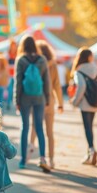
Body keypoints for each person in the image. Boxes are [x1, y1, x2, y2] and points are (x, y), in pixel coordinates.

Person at [14, 35, 51, 172]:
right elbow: (47, 81)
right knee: (40, 128)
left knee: (25, 127)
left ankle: (23, 160)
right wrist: (47, 98)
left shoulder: (21, 60)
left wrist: (16, 100)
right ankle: (42, 158)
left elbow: (18, 82)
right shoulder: (42, 60)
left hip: (25, 97)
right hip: (39, 97)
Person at [28, 40, 63, 169]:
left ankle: (30, 148)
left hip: (37, 100)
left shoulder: (35, 63)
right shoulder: (53, 65)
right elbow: (57, 86)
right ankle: (52, 159)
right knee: (49, 132)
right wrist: (60, 103)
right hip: (50, 102)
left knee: (35, 127)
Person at [70, 47, 97, 166]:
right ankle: (90, 152)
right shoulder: (96, 68)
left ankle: (91, 150)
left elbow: (81, 87)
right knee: (90, 127)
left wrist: (74, 101)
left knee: (87, 127)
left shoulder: (79, 70)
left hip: (84, 103)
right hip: (94, 102)